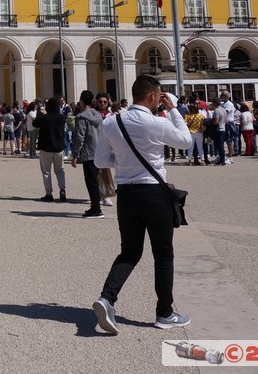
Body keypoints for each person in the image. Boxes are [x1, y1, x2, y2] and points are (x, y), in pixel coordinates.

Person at [92, 75, 193, 335]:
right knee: (163, 254)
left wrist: (126, 163)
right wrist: (173, 110)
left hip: (126, 194)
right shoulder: (156, 122)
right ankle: (164, 313)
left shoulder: (111, 121)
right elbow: (185, 141)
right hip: (153, 193)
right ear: (152, 96)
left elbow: (101, 162)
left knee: (129, 252)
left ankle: (107, 299)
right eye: (159, 97)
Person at [71, 94, 104, 216]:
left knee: (91, 182)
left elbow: (80, 137)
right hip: (99, 151)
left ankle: (96, 208)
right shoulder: (98, 115)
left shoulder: (82, 117)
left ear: (82, 101)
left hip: (88, 152)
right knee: (95, 180)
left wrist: (75, 155)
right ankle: (95, 205)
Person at [34, 96, 69, 205]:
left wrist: (41, 113)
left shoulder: (44, 117)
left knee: (46, 172)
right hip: (59, 147)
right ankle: (62, 190)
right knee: (60, 170)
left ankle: (49, 194)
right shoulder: (62, 117)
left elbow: (35, 123)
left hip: (46, 147)